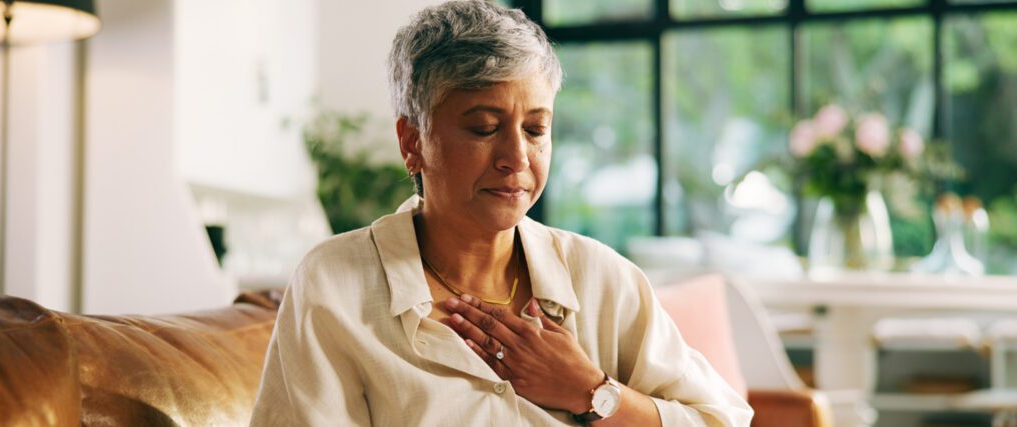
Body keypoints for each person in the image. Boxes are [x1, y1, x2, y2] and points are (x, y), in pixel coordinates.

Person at [249, 1, 752, 426]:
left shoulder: (602, 278)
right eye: (485, 128)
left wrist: (591, 391)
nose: (517, 158)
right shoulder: (335, 285)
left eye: (535, 130)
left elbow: (722, 419)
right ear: (412, 141)